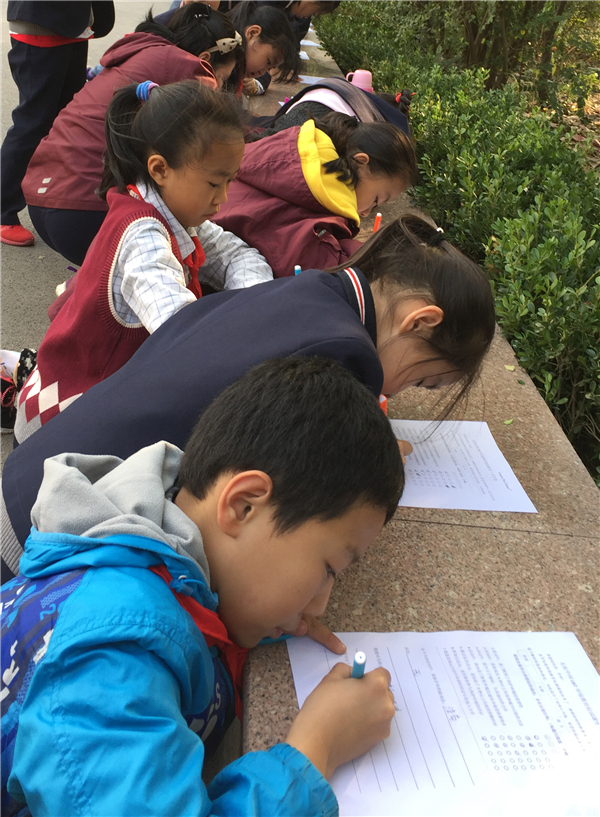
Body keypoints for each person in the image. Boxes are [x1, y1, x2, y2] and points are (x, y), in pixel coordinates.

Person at [1, 356, 402, 817]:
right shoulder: (109, 658)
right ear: (244, 505)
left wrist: (267, 621)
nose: (322, 604)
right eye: (329, 569)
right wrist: (318, 747)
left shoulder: (175, 557)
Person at [1, 213, 496, 580]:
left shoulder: (311, 291)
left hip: (41, 471)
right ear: (420, 321)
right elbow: (288, 513)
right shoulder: (348, 357)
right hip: (58, 535)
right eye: (422, 379)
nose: (398, 391)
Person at [13, 80, 272, 446]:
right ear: (160, 169)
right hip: (63, 431)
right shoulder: (144, 238)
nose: (224, 198)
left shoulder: (166, 207)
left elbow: (237, 254)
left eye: (231, 181)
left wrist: (250, 304)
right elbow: (186, 338)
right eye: (215, 184)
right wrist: (255, 324)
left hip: (82, 400)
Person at [21, 3, 244, 266]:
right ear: (206, 59)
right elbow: (215, 148)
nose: (220, 85)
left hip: (42, 198)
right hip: (86, 214)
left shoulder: (141, 50)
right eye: (222, 77)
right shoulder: (193, 71)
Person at [213, 111, 418, 276]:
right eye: (376, 200)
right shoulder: (316, 200)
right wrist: (374, 254)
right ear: (360, 162)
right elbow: (324, 273)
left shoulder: (299, 148)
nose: (366, 213)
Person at [0, 1, 115, 247]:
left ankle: (57, 200)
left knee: (66, 121)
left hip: (73, 27)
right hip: (41, 25)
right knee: (33, 123)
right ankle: (3, 211)